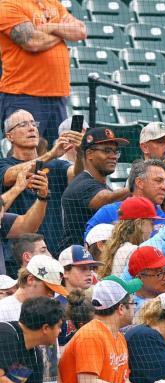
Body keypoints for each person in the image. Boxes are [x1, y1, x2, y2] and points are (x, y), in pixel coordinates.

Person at [58, 277, 158, 383]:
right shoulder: (90, 335)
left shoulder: (119, 337)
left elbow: (123, 382)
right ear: (121, 309)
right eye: (133, 303)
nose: (135, 308)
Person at [0, 0, 85, 146]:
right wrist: (63, 33)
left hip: (57, 96)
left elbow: (80, 31)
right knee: (25, 154)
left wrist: (50, 27)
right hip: (24, 95)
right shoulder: (8, 4)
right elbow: (32, 41)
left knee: (59, 153)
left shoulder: (53, 3)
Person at [0, 109, 82, 254]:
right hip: (16, 254)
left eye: (33, 123)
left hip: (54, 251)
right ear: (9, 136)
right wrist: (51, 154)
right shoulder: (4, 164)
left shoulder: (56, 165)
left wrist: (81, 152)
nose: (32, 128)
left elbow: (78, 175)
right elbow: (10, 176)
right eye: (23, 124)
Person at [0, 297, 93, 383]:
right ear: (45, 328)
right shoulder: (6, 334)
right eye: (59, 326)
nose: (60, 332)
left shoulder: (35, 354)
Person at [60, 128, 131, 247]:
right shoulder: (81, 184)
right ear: (89, 154)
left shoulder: (102, 185)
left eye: (115, 152)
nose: (113, 156)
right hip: (76, 261)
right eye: (107, 151)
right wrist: (137, 186)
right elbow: (106, 199)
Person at [98, 196, 165, 278]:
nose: (153, 228)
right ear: (139, 224)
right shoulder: (132, 250)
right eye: (151, 223)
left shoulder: (122, 247)